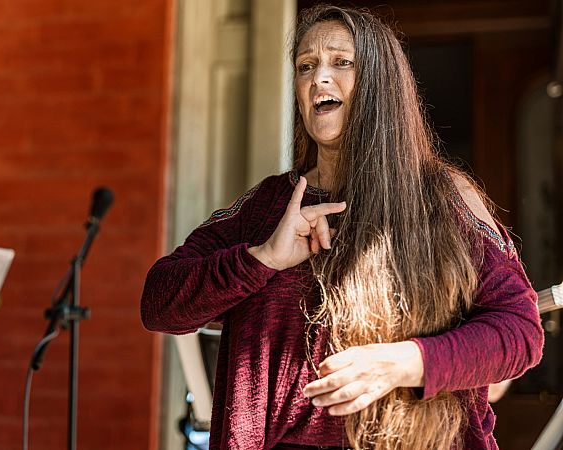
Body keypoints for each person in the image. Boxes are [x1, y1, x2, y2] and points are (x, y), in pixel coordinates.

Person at [141, 5, 543, 450]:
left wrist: (403, 362)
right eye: (306, 66)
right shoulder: (266, 208)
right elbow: (159, 303)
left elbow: (520, 332)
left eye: (341, 62)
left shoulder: (443, 197)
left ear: (379, 83)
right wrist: (264, 259)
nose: (319, 79)